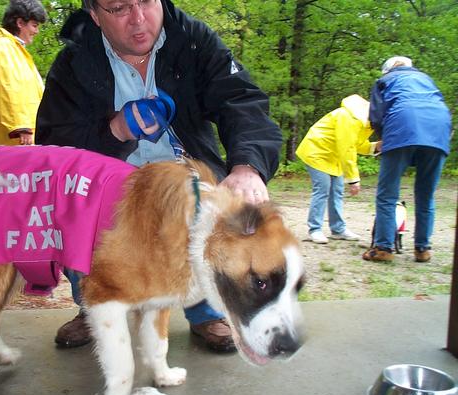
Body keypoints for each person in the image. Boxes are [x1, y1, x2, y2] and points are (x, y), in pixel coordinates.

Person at [36, 0, 283, 352]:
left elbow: (241, 101)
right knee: (77, 206)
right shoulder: (73, 63)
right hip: (111, 185)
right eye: (120, 8)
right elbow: (54, 146)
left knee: (212, 209)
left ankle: (207, 311)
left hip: (185, 177)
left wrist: (248, 166)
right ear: (95, 15)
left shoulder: (192, 39)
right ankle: (95, 303)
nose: (138, 19)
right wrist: (114, 131)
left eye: (146, 1)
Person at [363, 56, 452, 263]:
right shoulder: (426, 79)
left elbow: (376, 116)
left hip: (401, 126)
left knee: (387, 195)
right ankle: (422, 249)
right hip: (438, 131)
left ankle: (383, 248)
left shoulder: (385, 81)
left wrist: (385, 139)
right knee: (426, 195)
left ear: (388, 69)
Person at [296, 94, 378, 244]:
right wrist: (353, 179)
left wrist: (375, 147)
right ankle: (315, 229)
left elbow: (357, 144)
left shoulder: (365, 122)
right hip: (317, 152)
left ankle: (338, 230)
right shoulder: (349, 118)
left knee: (337, 191)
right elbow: (347, 148)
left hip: (333, 156)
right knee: (323, 189)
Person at [0, 0, 47, 147]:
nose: (37, 31)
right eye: (34, 25)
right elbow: (7, 87)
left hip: (25, 136)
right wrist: (21, 126)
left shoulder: (16, 51)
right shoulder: (1, 47)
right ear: (20, 23)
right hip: (14, 137)